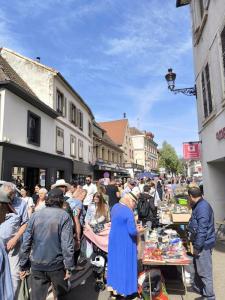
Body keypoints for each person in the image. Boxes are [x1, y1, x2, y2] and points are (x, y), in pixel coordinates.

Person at [19, 188, 75, 300]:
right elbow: (67, 244)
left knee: (37, 297)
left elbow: (26, 241)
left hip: (37, 263)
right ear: (61, 200)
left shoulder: (35, 215)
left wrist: (23, 265)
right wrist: (69, 267)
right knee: (61, 295)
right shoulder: (64, 216)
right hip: (56, 265)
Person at [107, 192, 142, 299]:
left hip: (114, 240)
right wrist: (140, 230)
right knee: (126, 266)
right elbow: (132, 231)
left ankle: (114, 288)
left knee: (115, 265)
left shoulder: (115, 207)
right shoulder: (128, 211)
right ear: (130, 201)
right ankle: (126, 290)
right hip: (125, 242)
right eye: (134, 204)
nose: (134, 206)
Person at [0, 182, 28, 297]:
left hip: (13, 246)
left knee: (13, 275)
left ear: (13, 194)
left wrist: (16, 238)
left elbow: (25, 223)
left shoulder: (22, 203)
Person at [187, 187, 215, 300]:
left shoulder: (202, 207)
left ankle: (210, 296)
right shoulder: (199, 205)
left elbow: (202, 230)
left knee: (205, 272)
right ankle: (204, 293)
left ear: (191, 196)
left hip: (204, 244)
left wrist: (197, 246)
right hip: (201, 243)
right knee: (199, 270)